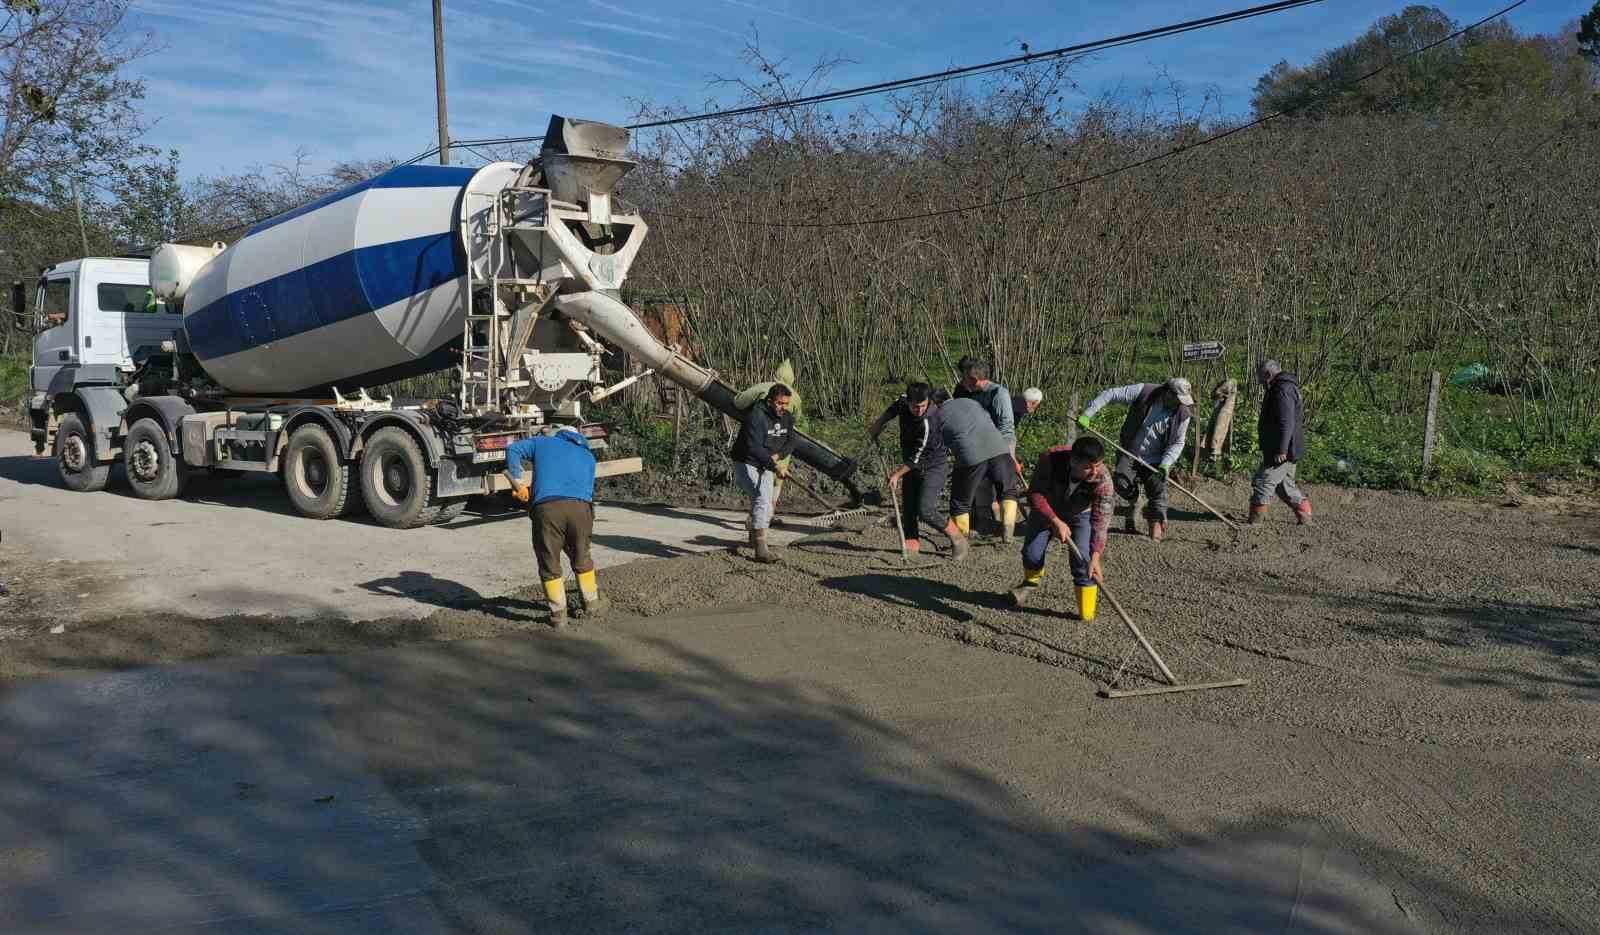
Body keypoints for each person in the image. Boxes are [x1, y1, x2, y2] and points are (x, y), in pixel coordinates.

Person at [504, 427, 605, 628]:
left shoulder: (542, 442)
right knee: (582, 556)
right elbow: (587, 489)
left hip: (548, 508)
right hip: (582, 509)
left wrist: (519, 481)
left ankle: (558, 616)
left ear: (560, 434)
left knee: (549, 559)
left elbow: (513, 449)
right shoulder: (588, 456)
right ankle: (592, 604)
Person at [1009, 437, 1114, 620]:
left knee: (1084, 563)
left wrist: (1096, 555)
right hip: (1047, 509)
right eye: (1089, 467)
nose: (1095, 471)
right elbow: (1035, 494)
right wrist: (1055, 521)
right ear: (1074, 461)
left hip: (1080, 514)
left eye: (1098, 465)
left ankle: (1086, 615)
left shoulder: (1103, 480)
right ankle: (1031, 582)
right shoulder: (1050, 459)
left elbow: (1101, 521)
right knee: (1031, 554)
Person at [1077, 377, 1193, 543]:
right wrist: (1088, 414)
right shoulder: (1145, 391)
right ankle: (1136, 501)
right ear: (1168, 392)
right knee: (1120, 481)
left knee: (1158, 491)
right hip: (1130, 450)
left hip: (1157, 458)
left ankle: (1156, 529)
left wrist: (1166, 462)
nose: (1179, 404)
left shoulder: (1183, 414)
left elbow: (1178, 442)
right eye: (1177, 399)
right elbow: (1110, 394)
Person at [869, 382, 970, 560]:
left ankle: (958, 539)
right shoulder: (902, 402)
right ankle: (912, 545)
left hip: (933, 465)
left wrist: (896, 475)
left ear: (928, 401)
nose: (919, 410)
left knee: (926, 510)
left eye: (923, 406)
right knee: (909, 508)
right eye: (915, 406)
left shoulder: (929, 421)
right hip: (912, 463)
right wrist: (879, 423)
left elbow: (918, 457)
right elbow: (893, 408)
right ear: (908, 401)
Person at [939, 395, 1021, 543]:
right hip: (1000, 450)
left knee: (960, 502)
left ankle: (961, 540)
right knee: (1008, 491)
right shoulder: (971, 401)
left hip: (970, 457)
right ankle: (1008, 532)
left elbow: (939, 444)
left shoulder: (937, 414)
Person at [731, 383, 796, 563]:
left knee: (763, 502)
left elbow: (791, 441)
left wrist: (778, 456)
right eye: (780, 403)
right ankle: (761, 549)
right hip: (746, 462)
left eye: (786, 404)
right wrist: (775, 466)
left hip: (767, 462)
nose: (784, 408)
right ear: (769, 401)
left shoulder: (787, 417)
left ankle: (754, 535)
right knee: (762, 499)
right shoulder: (756, 416)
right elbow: (754, 447)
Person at [955, 360, 1020, 535]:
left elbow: (1006, 427)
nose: (962, 381)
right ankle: (982, 524)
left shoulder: (998, 393)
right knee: (979, 487)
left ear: (976, 379)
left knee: (1004, 485)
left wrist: (1008, 454)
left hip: (997, 446)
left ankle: (1007, 529)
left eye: (966, 378)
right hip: (972, 447)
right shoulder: (961, 391)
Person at [734, 359, 802, 516]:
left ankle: (759, 515)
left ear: (776, 374)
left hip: (760, 444)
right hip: (779, 448)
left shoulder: (763, 387)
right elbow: (795, 419)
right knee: (776, 479)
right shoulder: (796, 398)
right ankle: (768, 514)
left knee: (759, 484)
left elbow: (739, 402)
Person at [1252, 359, 1312, 525]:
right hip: (1286, 447)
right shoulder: (1284, 387)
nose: (1259, 382)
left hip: (1283, 449)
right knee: (1284, 485)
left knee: (1265, 481)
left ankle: (1255, 521)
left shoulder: (1282, 390)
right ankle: (1305, 514)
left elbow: (1286, 422)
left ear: (1268, 374)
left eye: (1260, 378)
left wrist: (1282, 450)